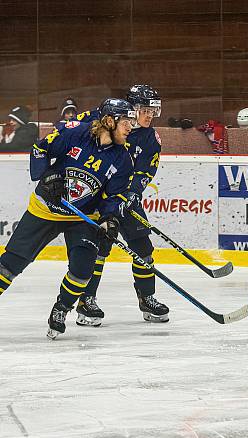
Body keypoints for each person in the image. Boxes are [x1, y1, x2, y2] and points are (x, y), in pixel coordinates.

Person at [0, 98, 137, 339]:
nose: (130, 128)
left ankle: (61, 308)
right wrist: (46, 178)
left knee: (83, 270)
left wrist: (109, 219)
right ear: (108, 121)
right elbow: (40, 149)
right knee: (11, 264)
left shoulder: (123, 159)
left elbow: (115, 196)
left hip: (82, 217)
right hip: (47, 208)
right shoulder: (75, 132)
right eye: (126, 122)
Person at [73, 84, 169, 325]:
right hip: (97, 198)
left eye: (153, 111)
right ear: (132, 108)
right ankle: (87, 301)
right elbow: (73, 130)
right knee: (98, 248)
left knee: (143, 248)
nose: (149, 116)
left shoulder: (150, 138)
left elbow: (145, 171)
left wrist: (133, 194)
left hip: (125, 197)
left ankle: (147, 298)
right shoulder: (107, 118)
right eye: (145, 110)